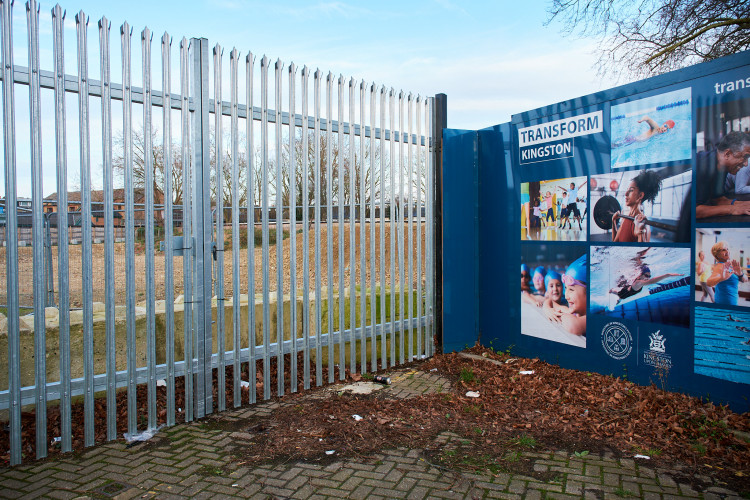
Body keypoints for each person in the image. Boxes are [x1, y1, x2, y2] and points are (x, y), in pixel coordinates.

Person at [696, 131, 750, 218]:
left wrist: (741, 204)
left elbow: (717, 200)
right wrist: (733, 209)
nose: (746, 164)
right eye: (745, 157)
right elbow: (693, 211)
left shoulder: (722, 167)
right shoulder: (702, 167)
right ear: (727, 154)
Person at [612, 170, 661, 242]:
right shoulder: (626, 218)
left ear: (640, 195)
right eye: (627, 190)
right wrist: (613, 222)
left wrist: (640, 233)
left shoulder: (643, 224)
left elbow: (643, 252)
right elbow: (615, 243)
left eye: (631, 190)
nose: (626, 194)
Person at [545, 254, 587, 336]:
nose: (566, 296)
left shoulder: (594, 315)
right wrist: (547, 309)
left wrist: (563, 315)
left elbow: (574, 326)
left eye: (571, 289)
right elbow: (550, 302)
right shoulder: (572, 310)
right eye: (566, 288)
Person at [609, 265, 683, 302]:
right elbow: (652, 281)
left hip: (627, 291)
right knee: (616, 294)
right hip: (623, 293)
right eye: (646, 275)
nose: (648, 277)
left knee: (620, 298)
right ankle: (611, 290)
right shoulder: (639, 282)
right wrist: (667, 275)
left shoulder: (640, 280)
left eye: (649, 276)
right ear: (641, 274)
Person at [707, 241, 748, 306]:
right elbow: (709, 282)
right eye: (723, 250)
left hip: (732, 301)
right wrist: (721, 278)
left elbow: (745, 280)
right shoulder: (720, 267)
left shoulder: (730, 265)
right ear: (717, 254)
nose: (727, 251)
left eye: (727, 249)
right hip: (724, 303)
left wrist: (740, 274)